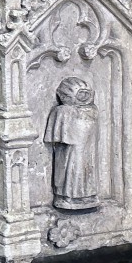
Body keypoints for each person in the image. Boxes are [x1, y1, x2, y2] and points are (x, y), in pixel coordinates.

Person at [44, 77, 100, 209]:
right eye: (81, 93)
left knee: (86, 168)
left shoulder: (92, 110)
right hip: (69, 150)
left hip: (87, 149)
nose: (84, 97)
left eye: (86, 93)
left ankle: (87, 196)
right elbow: (54, 137)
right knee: (69, 169)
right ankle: (67, 197)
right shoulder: (62, 111)